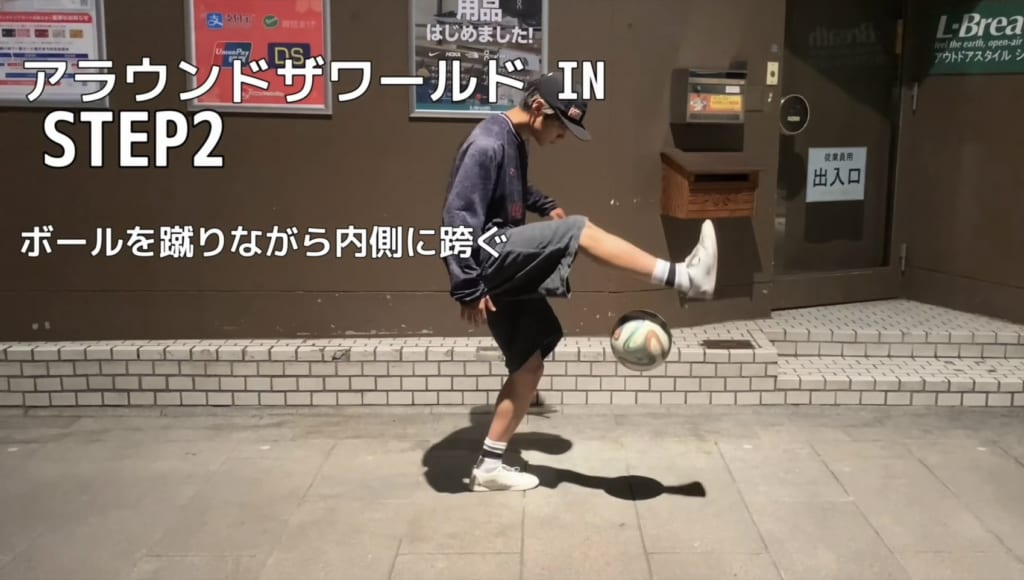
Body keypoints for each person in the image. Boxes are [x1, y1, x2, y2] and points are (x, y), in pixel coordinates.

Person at [440, 71, 718, 492]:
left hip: (497, 264)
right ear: (538, 109)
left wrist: (542, 203)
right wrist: (466, 285)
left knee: (530, 364)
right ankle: (684, 277)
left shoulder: (512, 140)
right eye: (561, 128)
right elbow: (457, 216)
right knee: (579, 229)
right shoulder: (486, 143)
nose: (562, 138)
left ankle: (489, 468)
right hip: (486, 255)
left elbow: (512, 188)